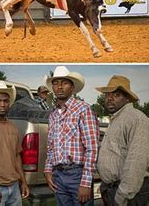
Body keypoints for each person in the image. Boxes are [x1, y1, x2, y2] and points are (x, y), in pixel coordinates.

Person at [95, 75, 149, 206]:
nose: (109, 98)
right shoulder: (117, 118)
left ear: (127, 98)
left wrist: (121, 197)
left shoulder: (136, 118)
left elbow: (137, 162)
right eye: (107, 95)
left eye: (116, 95)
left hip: (127, 193)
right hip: (112, 189)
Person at [44, 66, 99, 206]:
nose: (59, 87)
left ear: (72, 87)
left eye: (64, 83)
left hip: (77, 174)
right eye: (55, 83)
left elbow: (92, 148)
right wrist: (48, 170)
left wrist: (86, 183)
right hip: (58, 175)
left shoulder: (83, 109)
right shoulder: (53, 115)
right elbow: (51, 147)